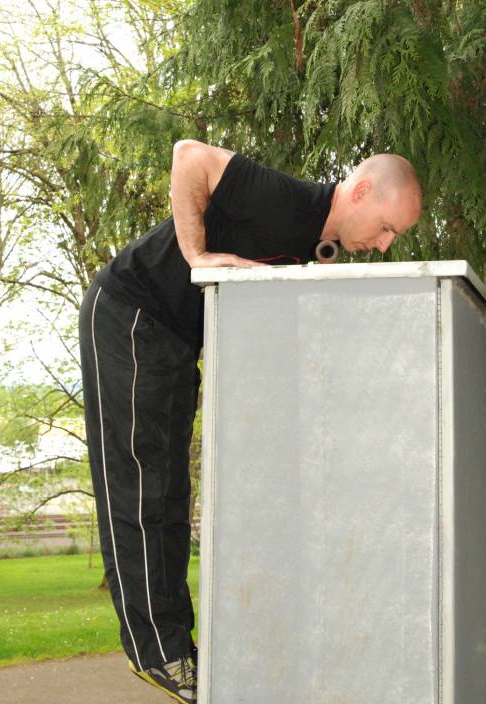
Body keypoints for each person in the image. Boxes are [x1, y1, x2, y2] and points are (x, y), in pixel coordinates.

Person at [78, 140, 422, 703]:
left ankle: (176, 645)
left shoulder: (312, 242)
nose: (383, 245)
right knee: (142, 482)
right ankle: (157, 652)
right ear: (360, 192)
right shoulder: (289, 201)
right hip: (132, 315)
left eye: (392, 239)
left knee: (169, 492)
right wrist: (195, 255)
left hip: (171, 336)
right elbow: (189, 155)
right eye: (386, 227)